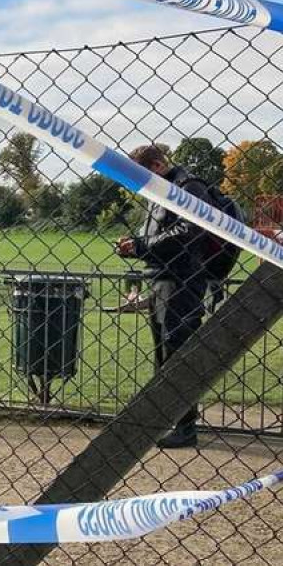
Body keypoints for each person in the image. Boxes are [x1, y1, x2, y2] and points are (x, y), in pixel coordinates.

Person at [115, 145, 212, 449]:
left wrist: (142, 246)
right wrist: (136, 246)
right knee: (165, 353)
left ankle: (185, 427)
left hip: (182, 279)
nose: (136, 183)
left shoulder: (187, 187)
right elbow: (166, 235)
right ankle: (174, 421)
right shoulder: (161, 190)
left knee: (176, 352)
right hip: (164, 278)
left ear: (156, 165)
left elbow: (190, 230)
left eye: (139, 174)